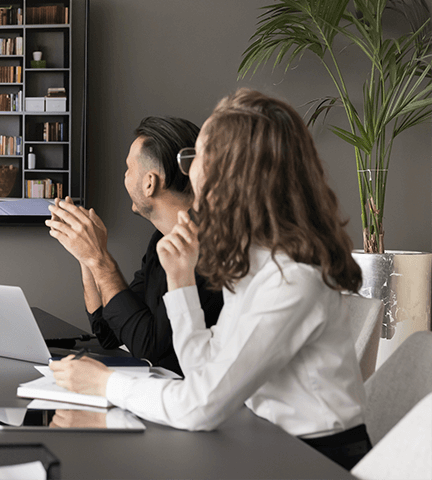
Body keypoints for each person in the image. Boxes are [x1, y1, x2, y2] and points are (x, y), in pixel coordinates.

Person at [51, 89, 371, 470]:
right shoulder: (255, 261)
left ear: (234, 174)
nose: (189, 170)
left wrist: (104, 383)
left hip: (313, 461)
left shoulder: (292, 279)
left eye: (197, 157)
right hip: (263, 440)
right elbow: (203, 370)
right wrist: (181, 281)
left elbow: (200, 405)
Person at [46, 117, 222, 374]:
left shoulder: (208, 248)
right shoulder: (161, 240)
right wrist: (86, 256)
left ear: (149, 183)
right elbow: (109, 333)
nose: (124, 176)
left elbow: (149, 347)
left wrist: (99, 257)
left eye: (128, 169)